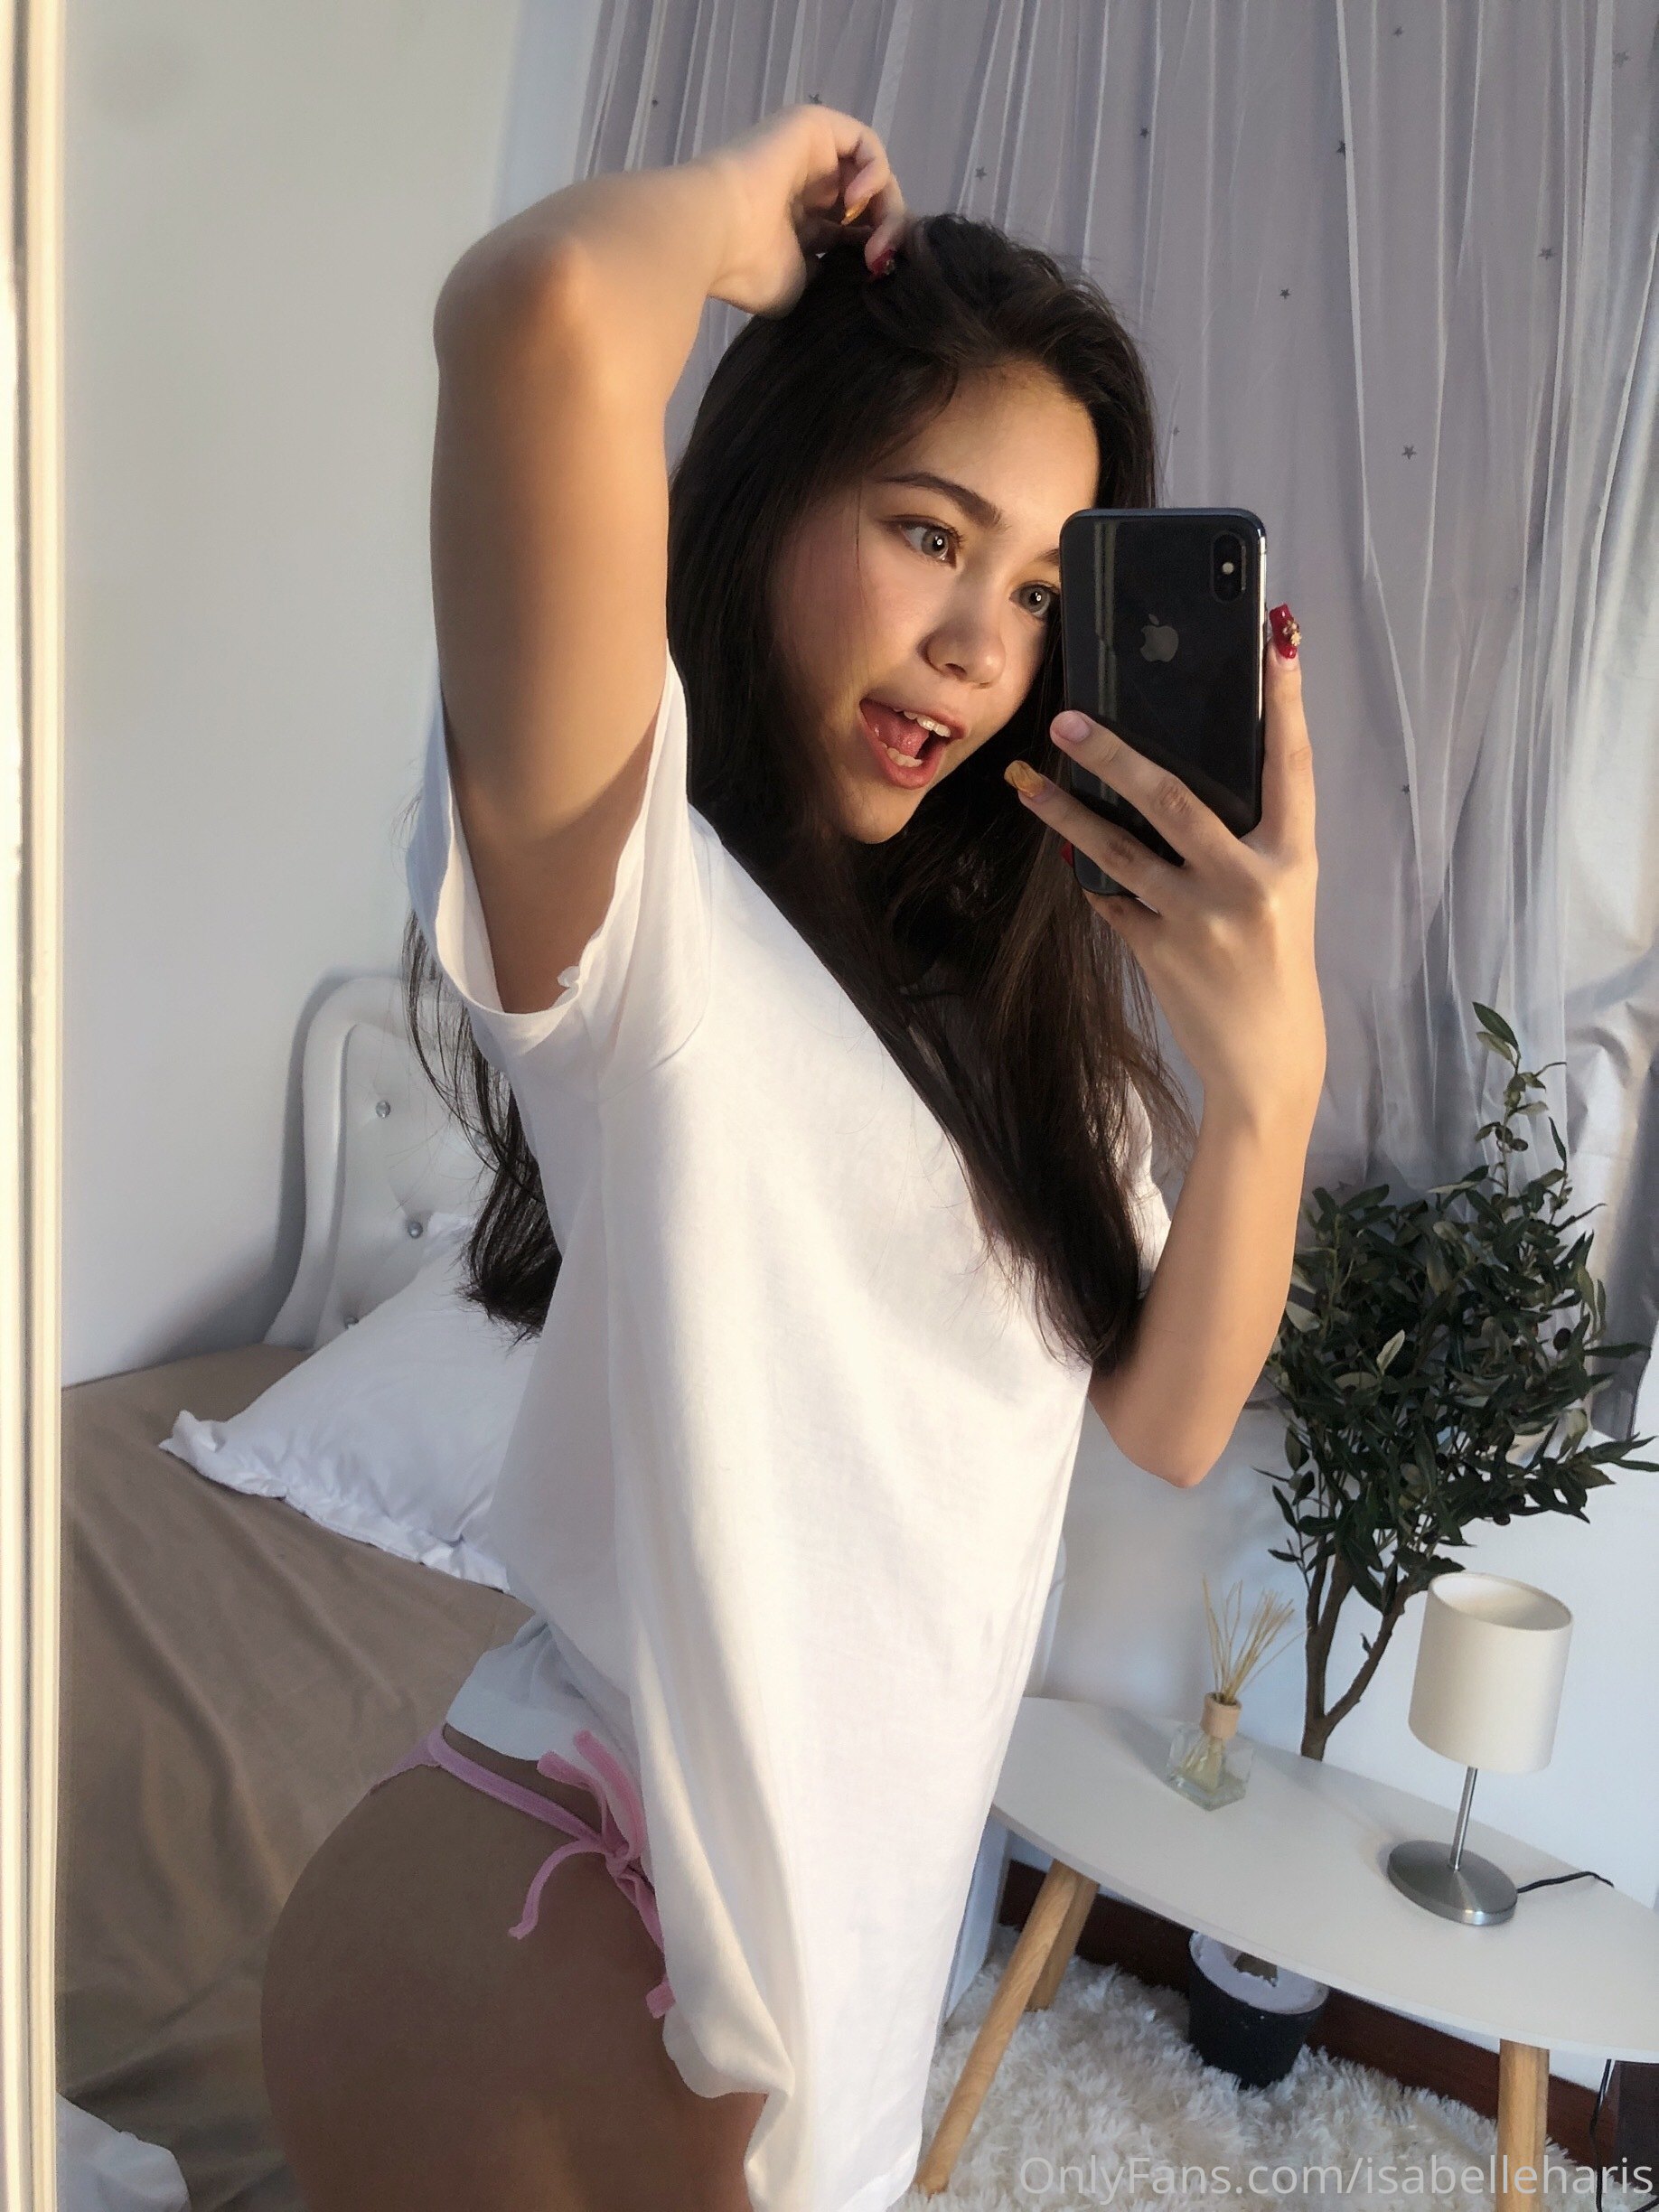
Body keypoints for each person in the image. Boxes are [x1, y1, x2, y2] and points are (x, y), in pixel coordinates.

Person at [258, 102, 1324, 2212]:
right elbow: (543, 311)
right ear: (772, 501)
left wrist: (1273, 1077)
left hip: (841, 1954)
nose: (980, 648)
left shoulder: (1036, 1052)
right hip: (562, 1909)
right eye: (929, 532)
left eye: (1040, 590)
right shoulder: (650, 913)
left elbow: (1170, 1418)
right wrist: (757, 222)